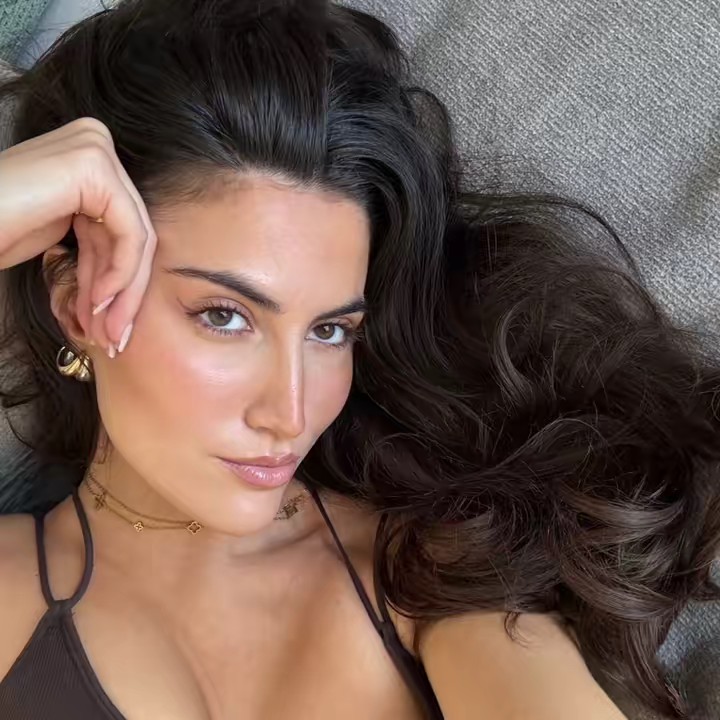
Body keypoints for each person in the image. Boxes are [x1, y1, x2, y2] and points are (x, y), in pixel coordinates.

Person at [0, 1, 719, 718]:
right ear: (76, 301)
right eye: (225, 316)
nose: (290, 413)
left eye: (330, 331)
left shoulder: (428, 571)